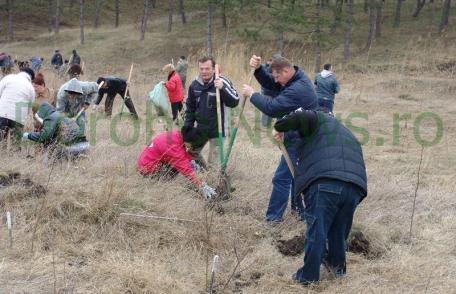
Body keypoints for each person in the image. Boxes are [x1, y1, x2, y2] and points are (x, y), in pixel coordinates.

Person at [273, 108, 367, 285]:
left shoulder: (319, 118)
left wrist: (280, 126)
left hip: (325, 183)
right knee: (339, 232)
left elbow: (302, 116)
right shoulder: (345, 133)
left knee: (317, 231)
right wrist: (286, 138)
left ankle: (308, 277)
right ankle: (337, 270)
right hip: (354, 187)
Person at [241, 55, 317, 223]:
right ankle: (300, 212)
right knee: (295, 173)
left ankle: (273, 220)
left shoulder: (298, 88)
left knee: (282, 178)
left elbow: (272, 108)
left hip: (301, 138)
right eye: (274, 76)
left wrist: (252, 95)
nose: (275, 80)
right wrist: (259, 69)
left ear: (286, 70)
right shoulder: (292, 78)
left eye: (277, 76)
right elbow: (271, 84)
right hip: (297, 132)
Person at [184, 56, 239, 167]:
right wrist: (188, 127)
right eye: (202, 69)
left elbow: (234, 102)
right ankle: (205, 172)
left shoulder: (222, 81)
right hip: (201, 129)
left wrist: (222, 88)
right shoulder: (194, 85)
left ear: (214, 69)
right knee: (190, 154)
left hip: (218, 130)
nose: (204, 71)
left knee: (214, 164)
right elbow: (190, 108)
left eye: (207, 69)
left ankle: (214, 179)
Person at [137, 125, 217, 200]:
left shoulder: (176, 135)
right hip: (148, 169)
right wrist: (202, 185)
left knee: (180, 165)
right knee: (177, 168)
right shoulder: (173, 147)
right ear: (188, 141)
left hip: (147, 161)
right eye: (192, 145)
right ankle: (161, 188)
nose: (192, 147)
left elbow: (181, 151)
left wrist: (190, 160)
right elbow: (185, 169)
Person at [23, 102, 88, 159]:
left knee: (48, 161)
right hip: (84, 146)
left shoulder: (51, 118)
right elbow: (52, 139)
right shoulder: (58, 115)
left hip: (74, 147)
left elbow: (44, 136)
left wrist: (27, 135)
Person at [0, 67, 36, 144]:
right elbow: (30, 106)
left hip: (3, 113)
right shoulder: (30, 87)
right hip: (19, 117)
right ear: (31, 78)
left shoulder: (9, 78)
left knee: (1, 139)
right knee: (15, 143)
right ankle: (14, 155)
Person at [260, 57, 280, 129]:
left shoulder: (277, 68)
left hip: (275, 93)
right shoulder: (264, 67)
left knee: (273, 108)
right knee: (266, 108)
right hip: (266, 92)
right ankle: (264, 125)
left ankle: (269, 124)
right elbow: (265, 78)